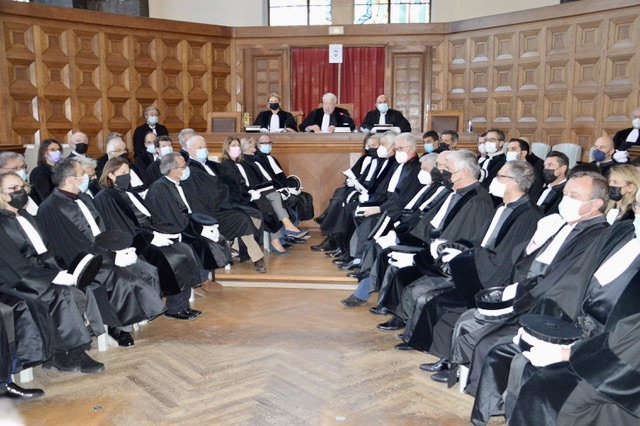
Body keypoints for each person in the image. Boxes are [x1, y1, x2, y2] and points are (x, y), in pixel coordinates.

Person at [451, 171, 610, 404]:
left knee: (486, 339)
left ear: (596, 204)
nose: (566, 200)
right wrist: (535, 242)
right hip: (528, 290)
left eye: (574, 195)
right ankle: (460, 371)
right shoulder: (563, 224)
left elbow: (561, 281)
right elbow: (529, 262)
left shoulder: (597, 235)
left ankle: (488, 397)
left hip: (546, 306)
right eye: (565, 194)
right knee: (468, 317)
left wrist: (517, 299)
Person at [398, 161, 542, 380]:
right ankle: (443, 355)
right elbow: (481, 240)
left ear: (513, 183)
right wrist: (456, 247)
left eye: (500, 176)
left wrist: (466, 257)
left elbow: (506, 258)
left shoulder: (527, 215)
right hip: (479, 268)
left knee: (445, 306)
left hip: (495, 279)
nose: (493, 179)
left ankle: (452, 364)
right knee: (437, 301)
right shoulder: (502, 207)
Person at [37, 157, 167, 345]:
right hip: (81, 261)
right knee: (125, 280)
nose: (88, 177)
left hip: (104, 252)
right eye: (83, 174)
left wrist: (119, 249)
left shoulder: (84, 197)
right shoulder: (51, 208)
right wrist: (110, 257)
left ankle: (139, 313)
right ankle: (118, 327)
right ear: (71, 180)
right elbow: (71, 246)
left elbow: (101, 229)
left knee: (147, 270)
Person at [0, 171, 105, 376]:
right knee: (60, 293)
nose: (20, 192)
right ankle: (76, 351)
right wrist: (51, 278)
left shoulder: (27, 216)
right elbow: (14, 265)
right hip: (17, 280)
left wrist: (61, 270)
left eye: (22, 187)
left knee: (81, 285)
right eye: (13, 189)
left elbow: (46, 249)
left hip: (40, 272)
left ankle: (60, 351)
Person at [93, 157, 203, 321]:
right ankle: (174, 307)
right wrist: (150, 238)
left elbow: (149, 217)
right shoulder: (106, 196)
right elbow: (121, 226)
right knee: (173, 257)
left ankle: (183, 304)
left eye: (128, 172)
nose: (127, 176)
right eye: (122, 173)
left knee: (185, 249)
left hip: (148, 234)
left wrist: (164, 231)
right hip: (134, 242)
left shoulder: (130, 193)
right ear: (111, 175)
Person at [145, 153, 241, 275]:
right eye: (183, 166)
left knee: (218, 236)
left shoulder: (176, 184)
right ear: (173, 170)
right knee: (203, 243)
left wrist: (205, 225)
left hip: (186, 224)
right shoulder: (160, 189)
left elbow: (189, 212)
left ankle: (207, 277)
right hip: (172, 230)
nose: (186, 168)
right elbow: (175, 218)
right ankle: (201, 279)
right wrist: (200, 230)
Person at [181, 135, 266, 266]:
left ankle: (237, 247)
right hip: (208, 211)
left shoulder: (212, 165)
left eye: (205, 146)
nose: (204, 149)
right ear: (190, 151)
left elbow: (228, 183)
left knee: (256, 214)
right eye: (200, 147)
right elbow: (208, 191)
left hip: (224, 203)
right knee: (242, 218)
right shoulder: (191, 171)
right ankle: (256, 256)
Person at [219, 136, 307, 254]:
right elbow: (235, 187)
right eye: (233, 146)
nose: (236, 148)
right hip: (241, 199)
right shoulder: (226, 165)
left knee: (274, 197)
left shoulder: (237, 163)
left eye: (237, 146)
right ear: (226, 148)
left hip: (248, 194)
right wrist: (250, 194)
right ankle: (281, 235)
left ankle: (283, 232)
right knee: (269, 205)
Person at [254, 134, 315, 223]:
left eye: (269, 143)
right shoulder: (257, 159)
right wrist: (284, 188)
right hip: (273, 189)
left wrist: (290, 185)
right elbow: (268, 179)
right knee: (293, 199)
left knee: (306, 196)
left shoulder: (272, 158)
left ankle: (295, 226)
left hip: (282, 186)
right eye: (264, 143)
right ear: (258, 145)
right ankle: (291, 228)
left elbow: (281, 175)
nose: (267, 145)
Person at [29, 138, 63, 204]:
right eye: (53, 150)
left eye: (58, 149)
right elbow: (45, 196)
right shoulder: (39, 172)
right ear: (44, 153)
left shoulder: (62, 169)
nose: (57, 152)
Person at [536, 151, 569, 215]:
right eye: (545, 165)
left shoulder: (567, 192)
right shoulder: (543, 189)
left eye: (550, 165)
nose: (545, 168)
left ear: (563, 168)